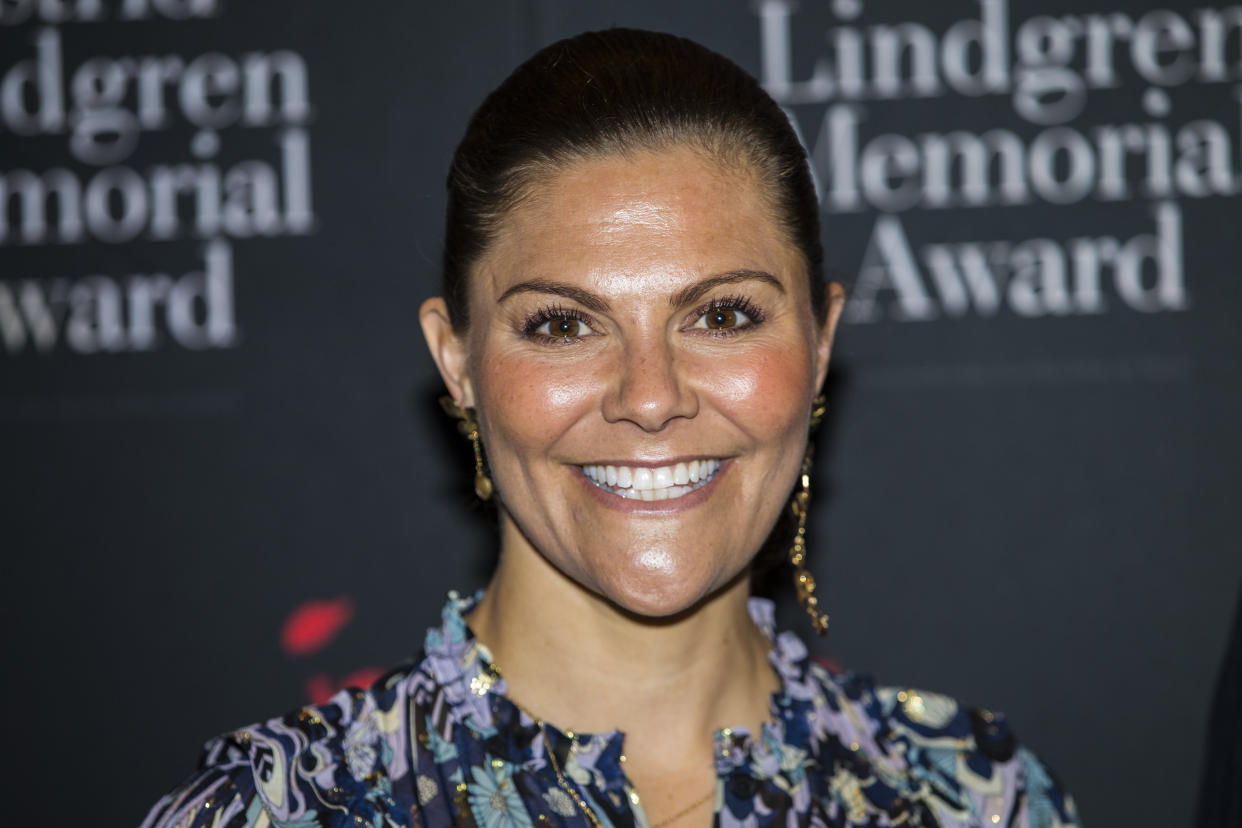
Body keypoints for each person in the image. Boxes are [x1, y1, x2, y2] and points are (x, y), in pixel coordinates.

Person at [143, 29, 1080, 828]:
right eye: (562, 325)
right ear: (457, 360)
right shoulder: (283, 809)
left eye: (722, 316)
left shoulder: (970, 800)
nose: (649, 395)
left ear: (821, 339)